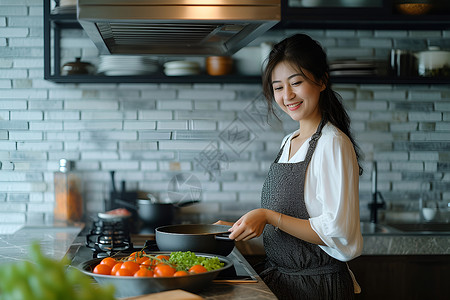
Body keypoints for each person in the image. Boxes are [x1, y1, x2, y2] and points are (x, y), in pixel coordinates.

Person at [215, 33, 364, 300]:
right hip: (284, 282)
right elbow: (288, 221)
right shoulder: (289, 141)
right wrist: (241, 226)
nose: (288, 95)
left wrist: (268, 216)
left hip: (317, 288)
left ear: (321, 81)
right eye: (278, 87)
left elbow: (337, 230)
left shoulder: (332, 143)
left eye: (296, 82)